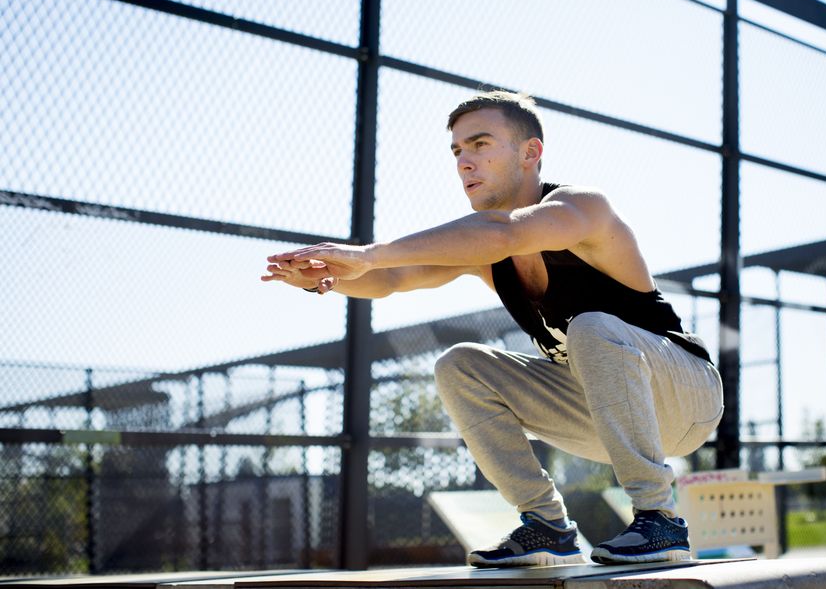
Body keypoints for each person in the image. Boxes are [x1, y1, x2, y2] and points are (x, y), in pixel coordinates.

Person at [261, 90, 724, 567]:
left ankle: (660, 519)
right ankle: (547, 527)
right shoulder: (485, 248)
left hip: (685, 397)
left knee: (592, 327)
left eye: (480, 144)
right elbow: (394, 277)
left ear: (530, 152)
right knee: (461, 365)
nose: (465, 163)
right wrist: (328, 279)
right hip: (599, 414)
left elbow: (508, 232)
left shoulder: (583, 209)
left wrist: (369, 252)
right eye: (458, 151)